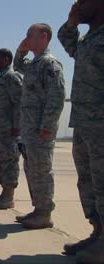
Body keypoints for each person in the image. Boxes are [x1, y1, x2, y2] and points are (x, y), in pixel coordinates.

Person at [58, 0, 104, 261]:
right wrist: (72, 23)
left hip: (101, 124)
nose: (78, 4)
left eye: (85, 1)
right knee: (89, 182)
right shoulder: (88, 39)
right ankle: (98, 234)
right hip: (85, 122)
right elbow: (69, 43)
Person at [14, 23, 65, 229]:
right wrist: (20, 51)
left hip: (40, 130)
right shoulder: (35, 64)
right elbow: (18, 66)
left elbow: (57, 96)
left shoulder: (49, 64)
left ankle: (44, 213)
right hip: (29, 130)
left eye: (30, 35)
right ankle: (38, 209)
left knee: (42, 170)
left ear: (44, 36)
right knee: (32, 169)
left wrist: (47, 126)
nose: (26, 39)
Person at [0, 49, 23, 210]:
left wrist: (16, 126)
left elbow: (19, 103)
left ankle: (9, 197)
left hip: (9, 130)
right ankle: (4, 194)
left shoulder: (12, 77)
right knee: (0, 161)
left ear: (6, 60)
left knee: (9, 161)